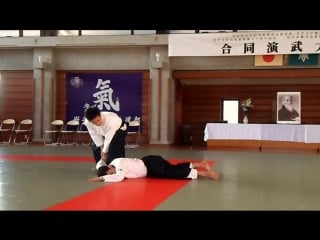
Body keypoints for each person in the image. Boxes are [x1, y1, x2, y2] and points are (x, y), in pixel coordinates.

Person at [88, 155, 220, 182]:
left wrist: (100, 178)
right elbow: (102, 166)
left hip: (151, 164)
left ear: (109, 169)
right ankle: (200, 164)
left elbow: (119, 177)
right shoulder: (115, 162)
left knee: (173, 173)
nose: (113, 173)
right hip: (151, 167)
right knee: (172, 169)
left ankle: (204, 173)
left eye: (110, 173)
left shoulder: (119, 164)